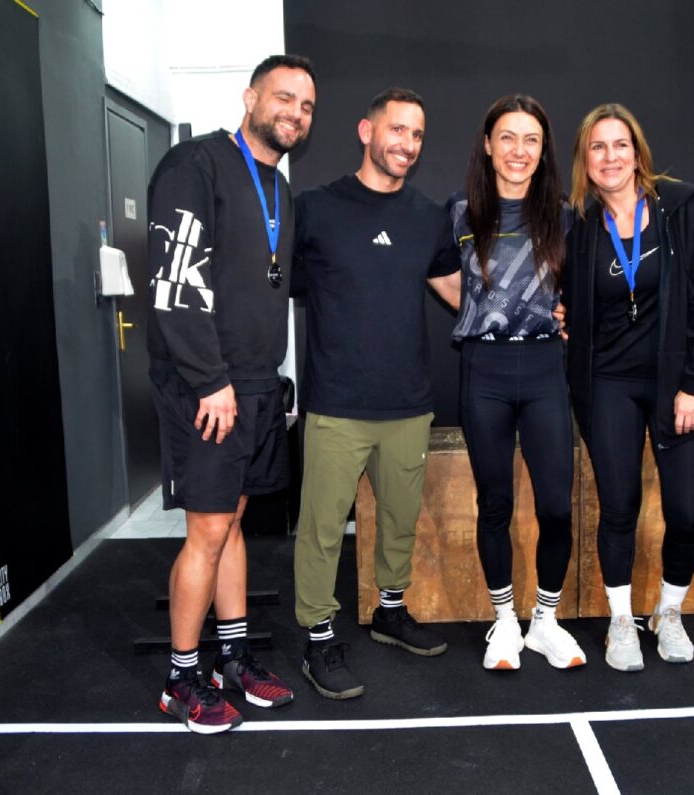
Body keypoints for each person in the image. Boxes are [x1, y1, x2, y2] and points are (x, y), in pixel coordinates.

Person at [146, 54, 316, 733]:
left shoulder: (279, 189)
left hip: (254, 384)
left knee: (234, 523)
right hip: (206, 385)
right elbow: (176, 282)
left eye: (306, 105)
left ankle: (233, 659)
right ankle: (180, 679)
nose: (295, 113)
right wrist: (209, 380)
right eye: (283, 97)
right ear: (250, 98)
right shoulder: (196, 166)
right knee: (208, 529)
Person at [291, 88, 460, 699]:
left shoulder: (429, 216)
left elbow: (460, 293)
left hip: (407, 403)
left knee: (398, 521)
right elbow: (277, 283)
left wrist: (536, 315)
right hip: (336, 404)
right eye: (397, 130)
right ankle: (317, 639)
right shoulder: (314, 208)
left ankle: (390, 611)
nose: (407, 144)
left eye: (417, 135)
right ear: (367, 131)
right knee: (321, 530)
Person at [562, 103, 694, 672]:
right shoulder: (579, 226)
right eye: (597, 147)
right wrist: (562, 315)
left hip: (679, 384)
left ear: (637, 153)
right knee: (618, 508)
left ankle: (669, 611)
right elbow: (566, 297)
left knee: (687, 513)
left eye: (620, 145)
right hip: (609, 383)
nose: (610, 157)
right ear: (584, 160)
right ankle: (621, 621)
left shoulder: (685, 210)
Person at [446, 95, 585, 671]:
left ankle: (545, 622)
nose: (518, 150)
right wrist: (478, 309)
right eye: (507, 137)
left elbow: (582, 290)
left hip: (545, 369)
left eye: (531, 139)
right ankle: (504, 620)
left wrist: (566, 313)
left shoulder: (566, 216)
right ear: (488, 144)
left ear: (543, 149)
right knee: (495, 504)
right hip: (484, 371)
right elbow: (438, 274)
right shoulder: (460, 213)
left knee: (556, 507)